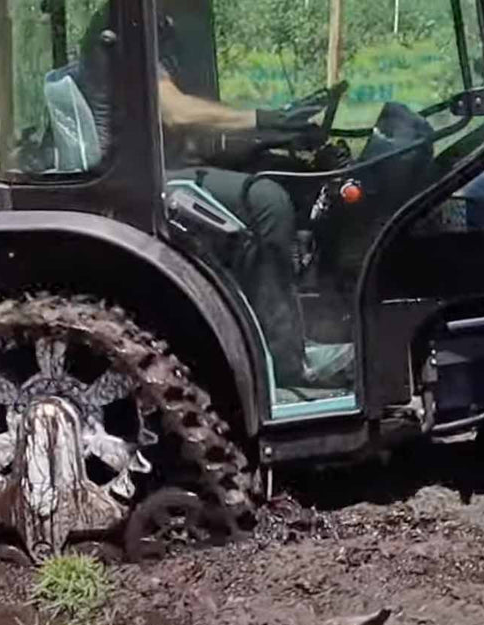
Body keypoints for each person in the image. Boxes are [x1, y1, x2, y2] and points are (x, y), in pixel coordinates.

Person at [73, 1, 350, 389]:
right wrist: (264, 119)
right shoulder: (126, 22)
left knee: (291, 173)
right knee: (267, 201)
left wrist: (274, 134)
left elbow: (191, 128)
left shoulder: (156, 25)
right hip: (141, 174)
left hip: (154, 162)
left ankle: (316, 324)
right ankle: (287, 361)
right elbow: (176, 113)